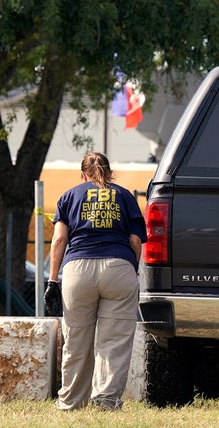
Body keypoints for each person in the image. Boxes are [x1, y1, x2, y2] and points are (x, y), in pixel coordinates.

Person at [46, 152, 147, 411]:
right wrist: (130, 269)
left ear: (82, 175)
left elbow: (59, 240)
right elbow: (135, 241)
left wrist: (53, 280)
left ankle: (70, 402)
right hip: (118, 266)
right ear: (110, 173)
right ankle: (106, 401)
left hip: (77, 270)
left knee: (76, 339)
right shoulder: (125, 196)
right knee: (114, 341)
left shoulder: (69, 196)